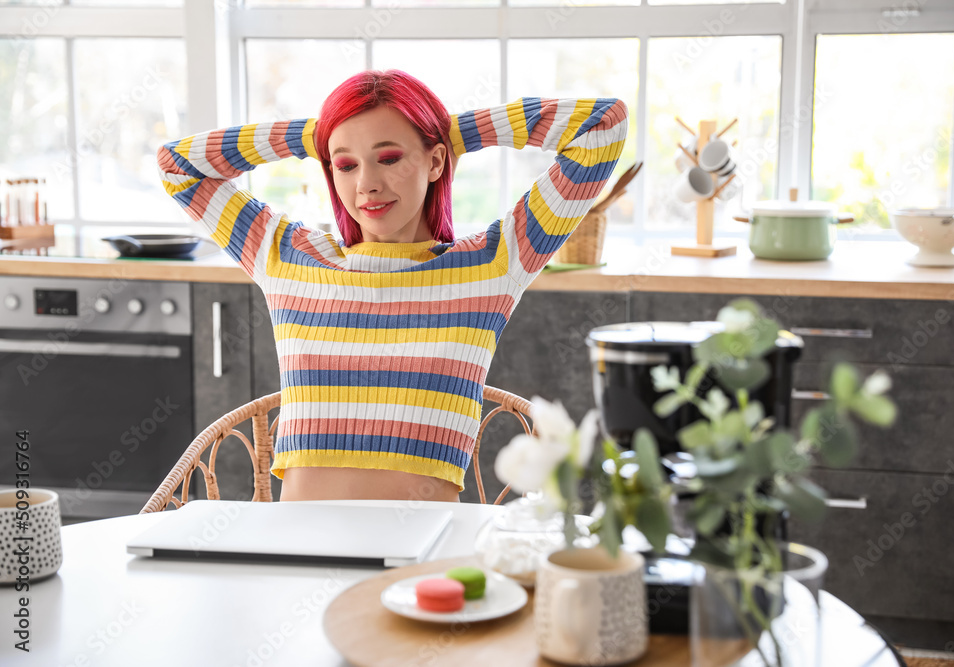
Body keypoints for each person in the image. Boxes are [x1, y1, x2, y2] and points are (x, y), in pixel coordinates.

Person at [157, 69, 628, 503]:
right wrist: (313, 135)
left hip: (422, 560)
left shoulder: (493, 264)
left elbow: (603, 125)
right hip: (299, 547)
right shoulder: (287, 257)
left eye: (389, 157)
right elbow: (177, 165)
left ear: (437, 161)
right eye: (344, 164)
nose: (368, 184)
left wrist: (452, 131)